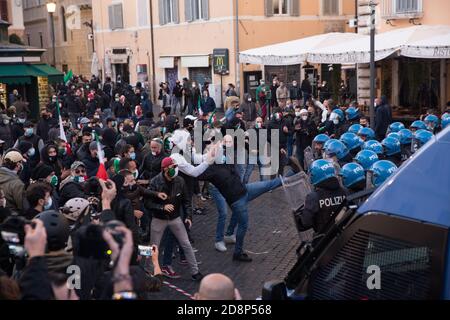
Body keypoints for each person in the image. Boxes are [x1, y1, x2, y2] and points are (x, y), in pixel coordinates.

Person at [146, 157, 204, 281]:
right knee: (153, 246)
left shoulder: (179, 181)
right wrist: (162, 207)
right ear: (165, 168)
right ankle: (150, 270)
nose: (175, 169)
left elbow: (186, 201)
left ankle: (195, 271)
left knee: (186, 244)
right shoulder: (155, 182)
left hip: (175, 217)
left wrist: (188, 216)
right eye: (173, 167)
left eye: (176, 167)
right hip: (159, 218)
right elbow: (148, 203)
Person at [298, 159, 347, 234]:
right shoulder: (345, 192)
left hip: (323, 239)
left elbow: (306, 222)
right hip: (343, 234)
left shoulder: (314, 197)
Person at [0, 150, 26, 215]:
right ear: (18, 164)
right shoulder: (17, 184)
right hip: (12, 218)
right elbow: (23, 206)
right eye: (21, 162)